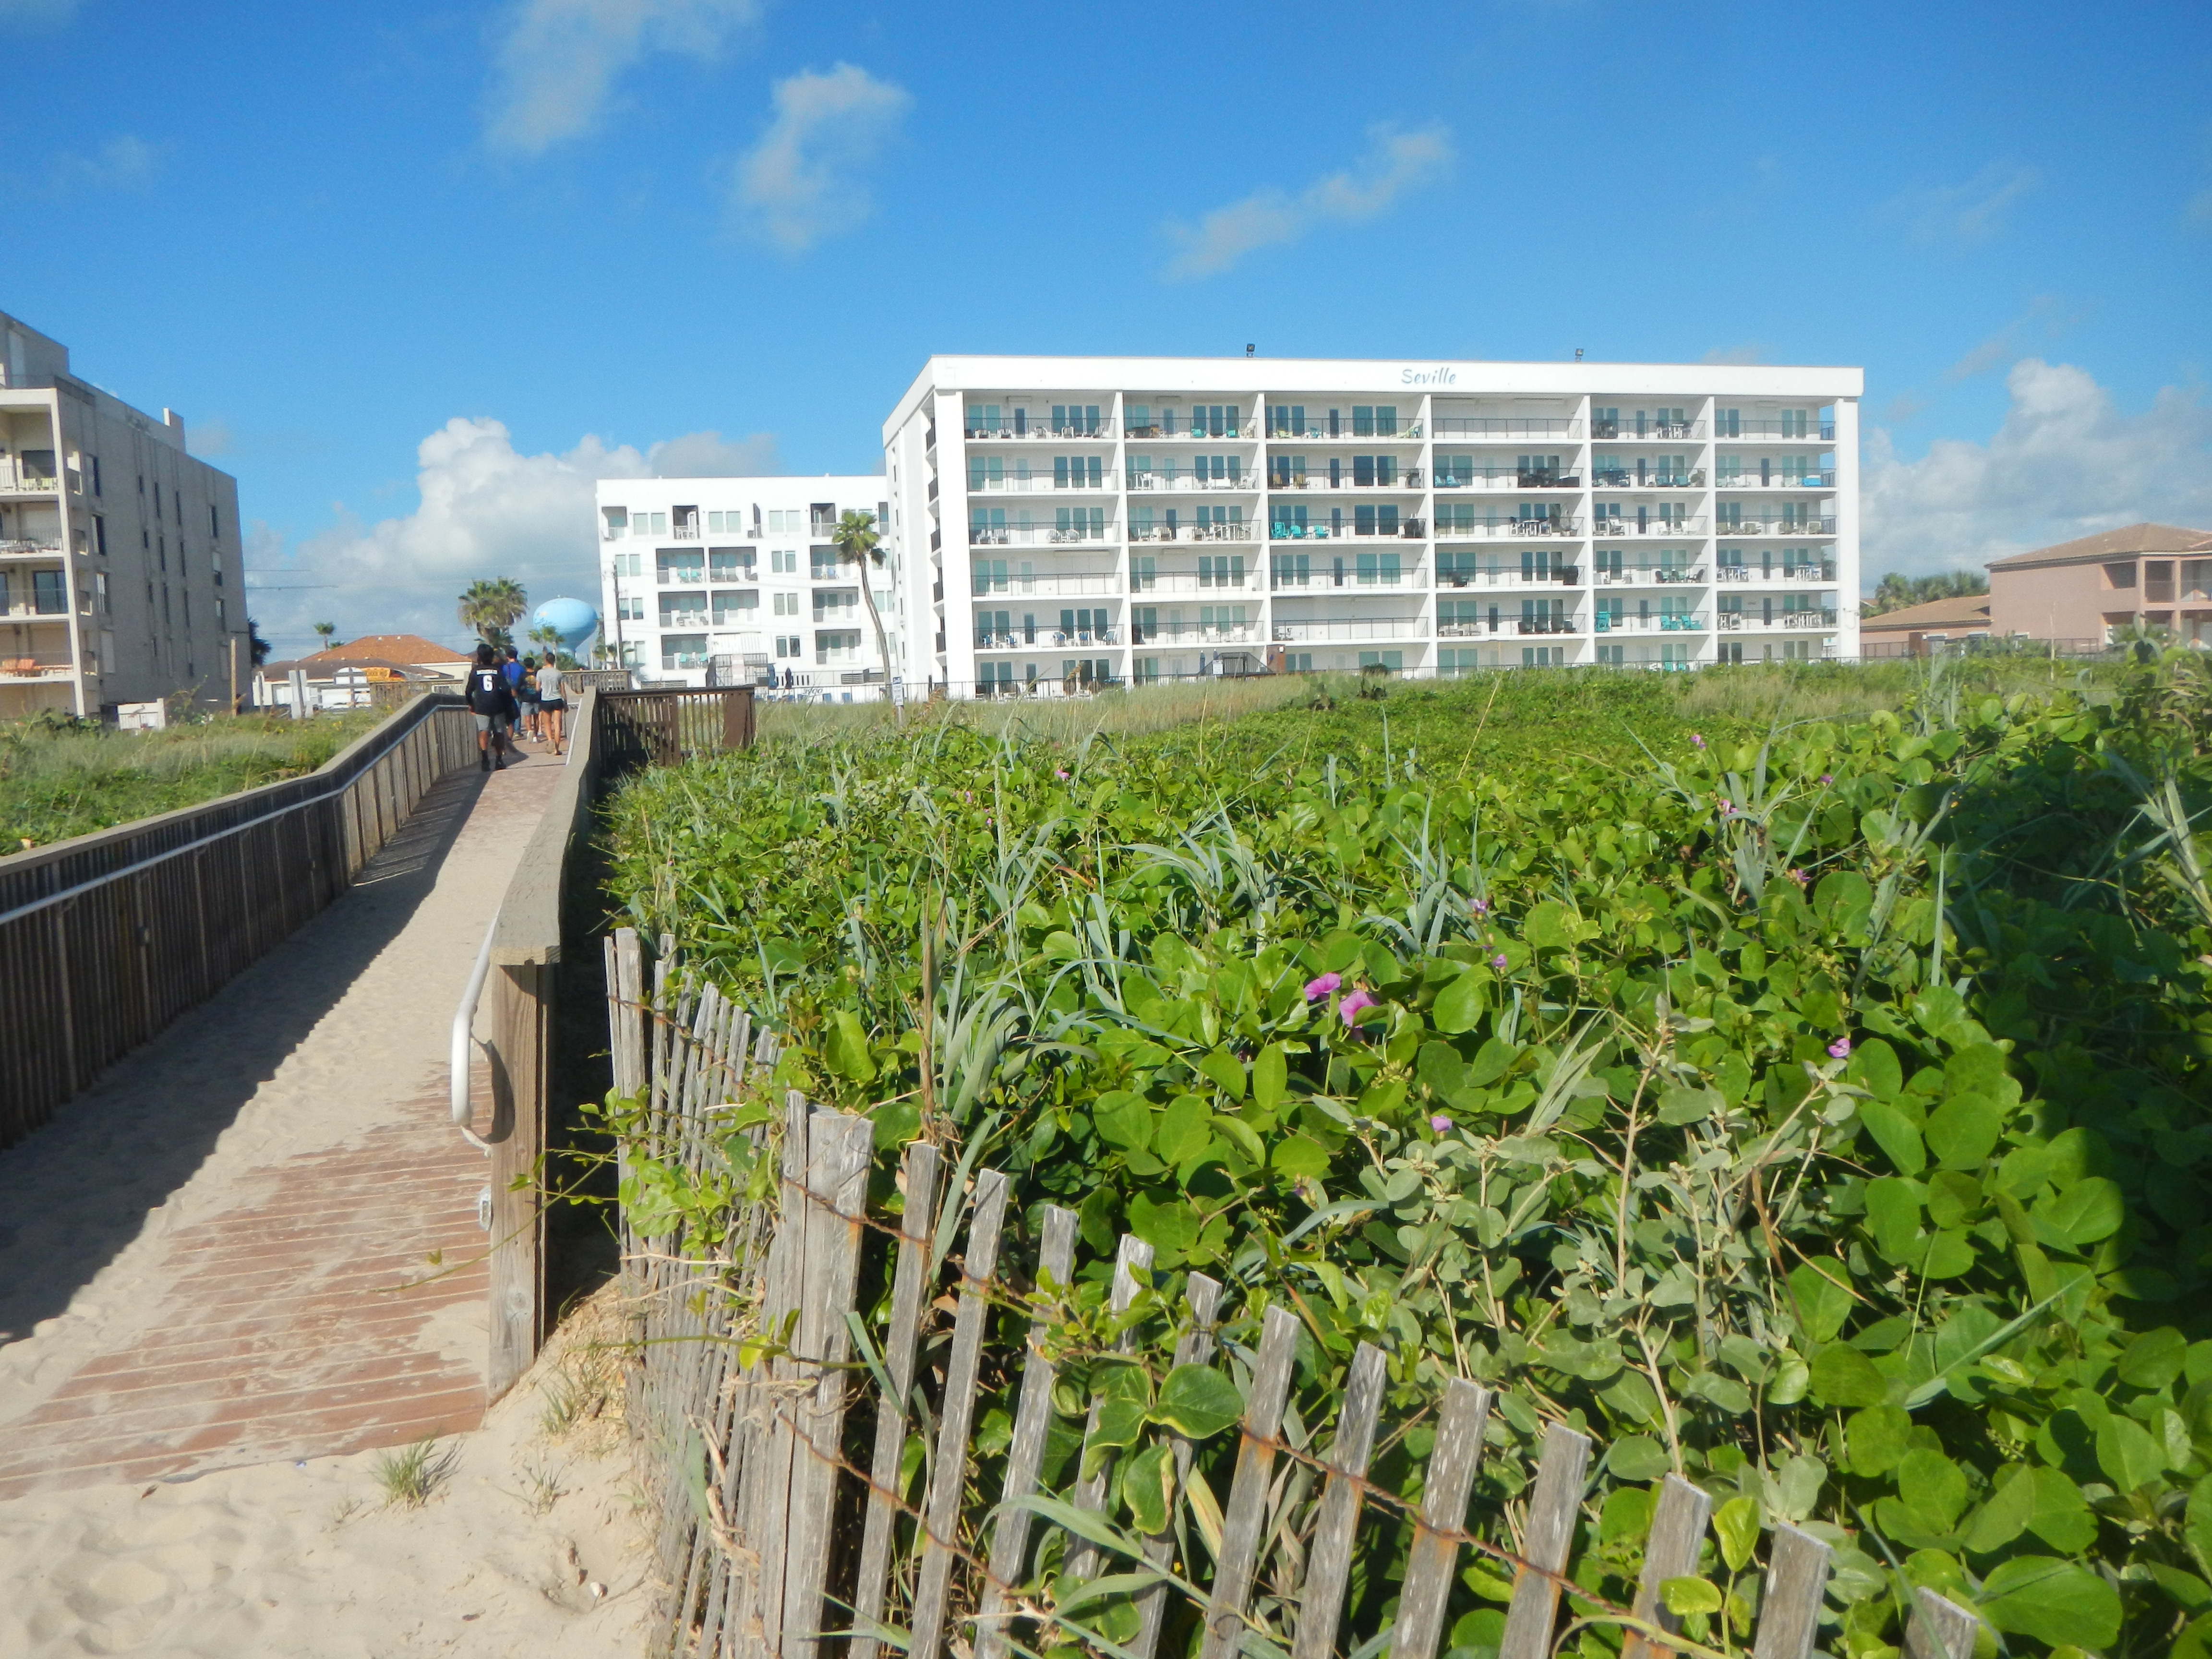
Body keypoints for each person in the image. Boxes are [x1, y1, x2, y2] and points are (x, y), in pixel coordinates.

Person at [466, 643, 518, 770]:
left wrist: (471, 705)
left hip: (481, 706)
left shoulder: (475, 672)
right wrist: (507, 705)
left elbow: (468, 691)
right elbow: (506, 689)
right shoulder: (498, 671)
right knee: (499, 733)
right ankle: (499, 760)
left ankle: (485, 759)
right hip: (497, 705)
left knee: (483, 731)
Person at [535, 657, 567, 757]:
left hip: (546, 700)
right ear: (554, 661)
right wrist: (565, 703)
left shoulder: (540, 673)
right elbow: (563, 690)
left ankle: (550, 740)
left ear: (546, 660)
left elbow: (537, 688)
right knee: (557, 725)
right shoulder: (558, 673)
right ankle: (557, 749)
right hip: (557, 699)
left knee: (547, 724)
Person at [517, 653, 542, 744]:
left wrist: (519, 695)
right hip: (537, 698)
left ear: (525, 665)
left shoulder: (522, 675)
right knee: (536, 718)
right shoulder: (537, 674)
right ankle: (535, 736)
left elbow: (518, 687)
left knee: (527, 718)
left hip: (526, 698)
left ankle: (529, 732)